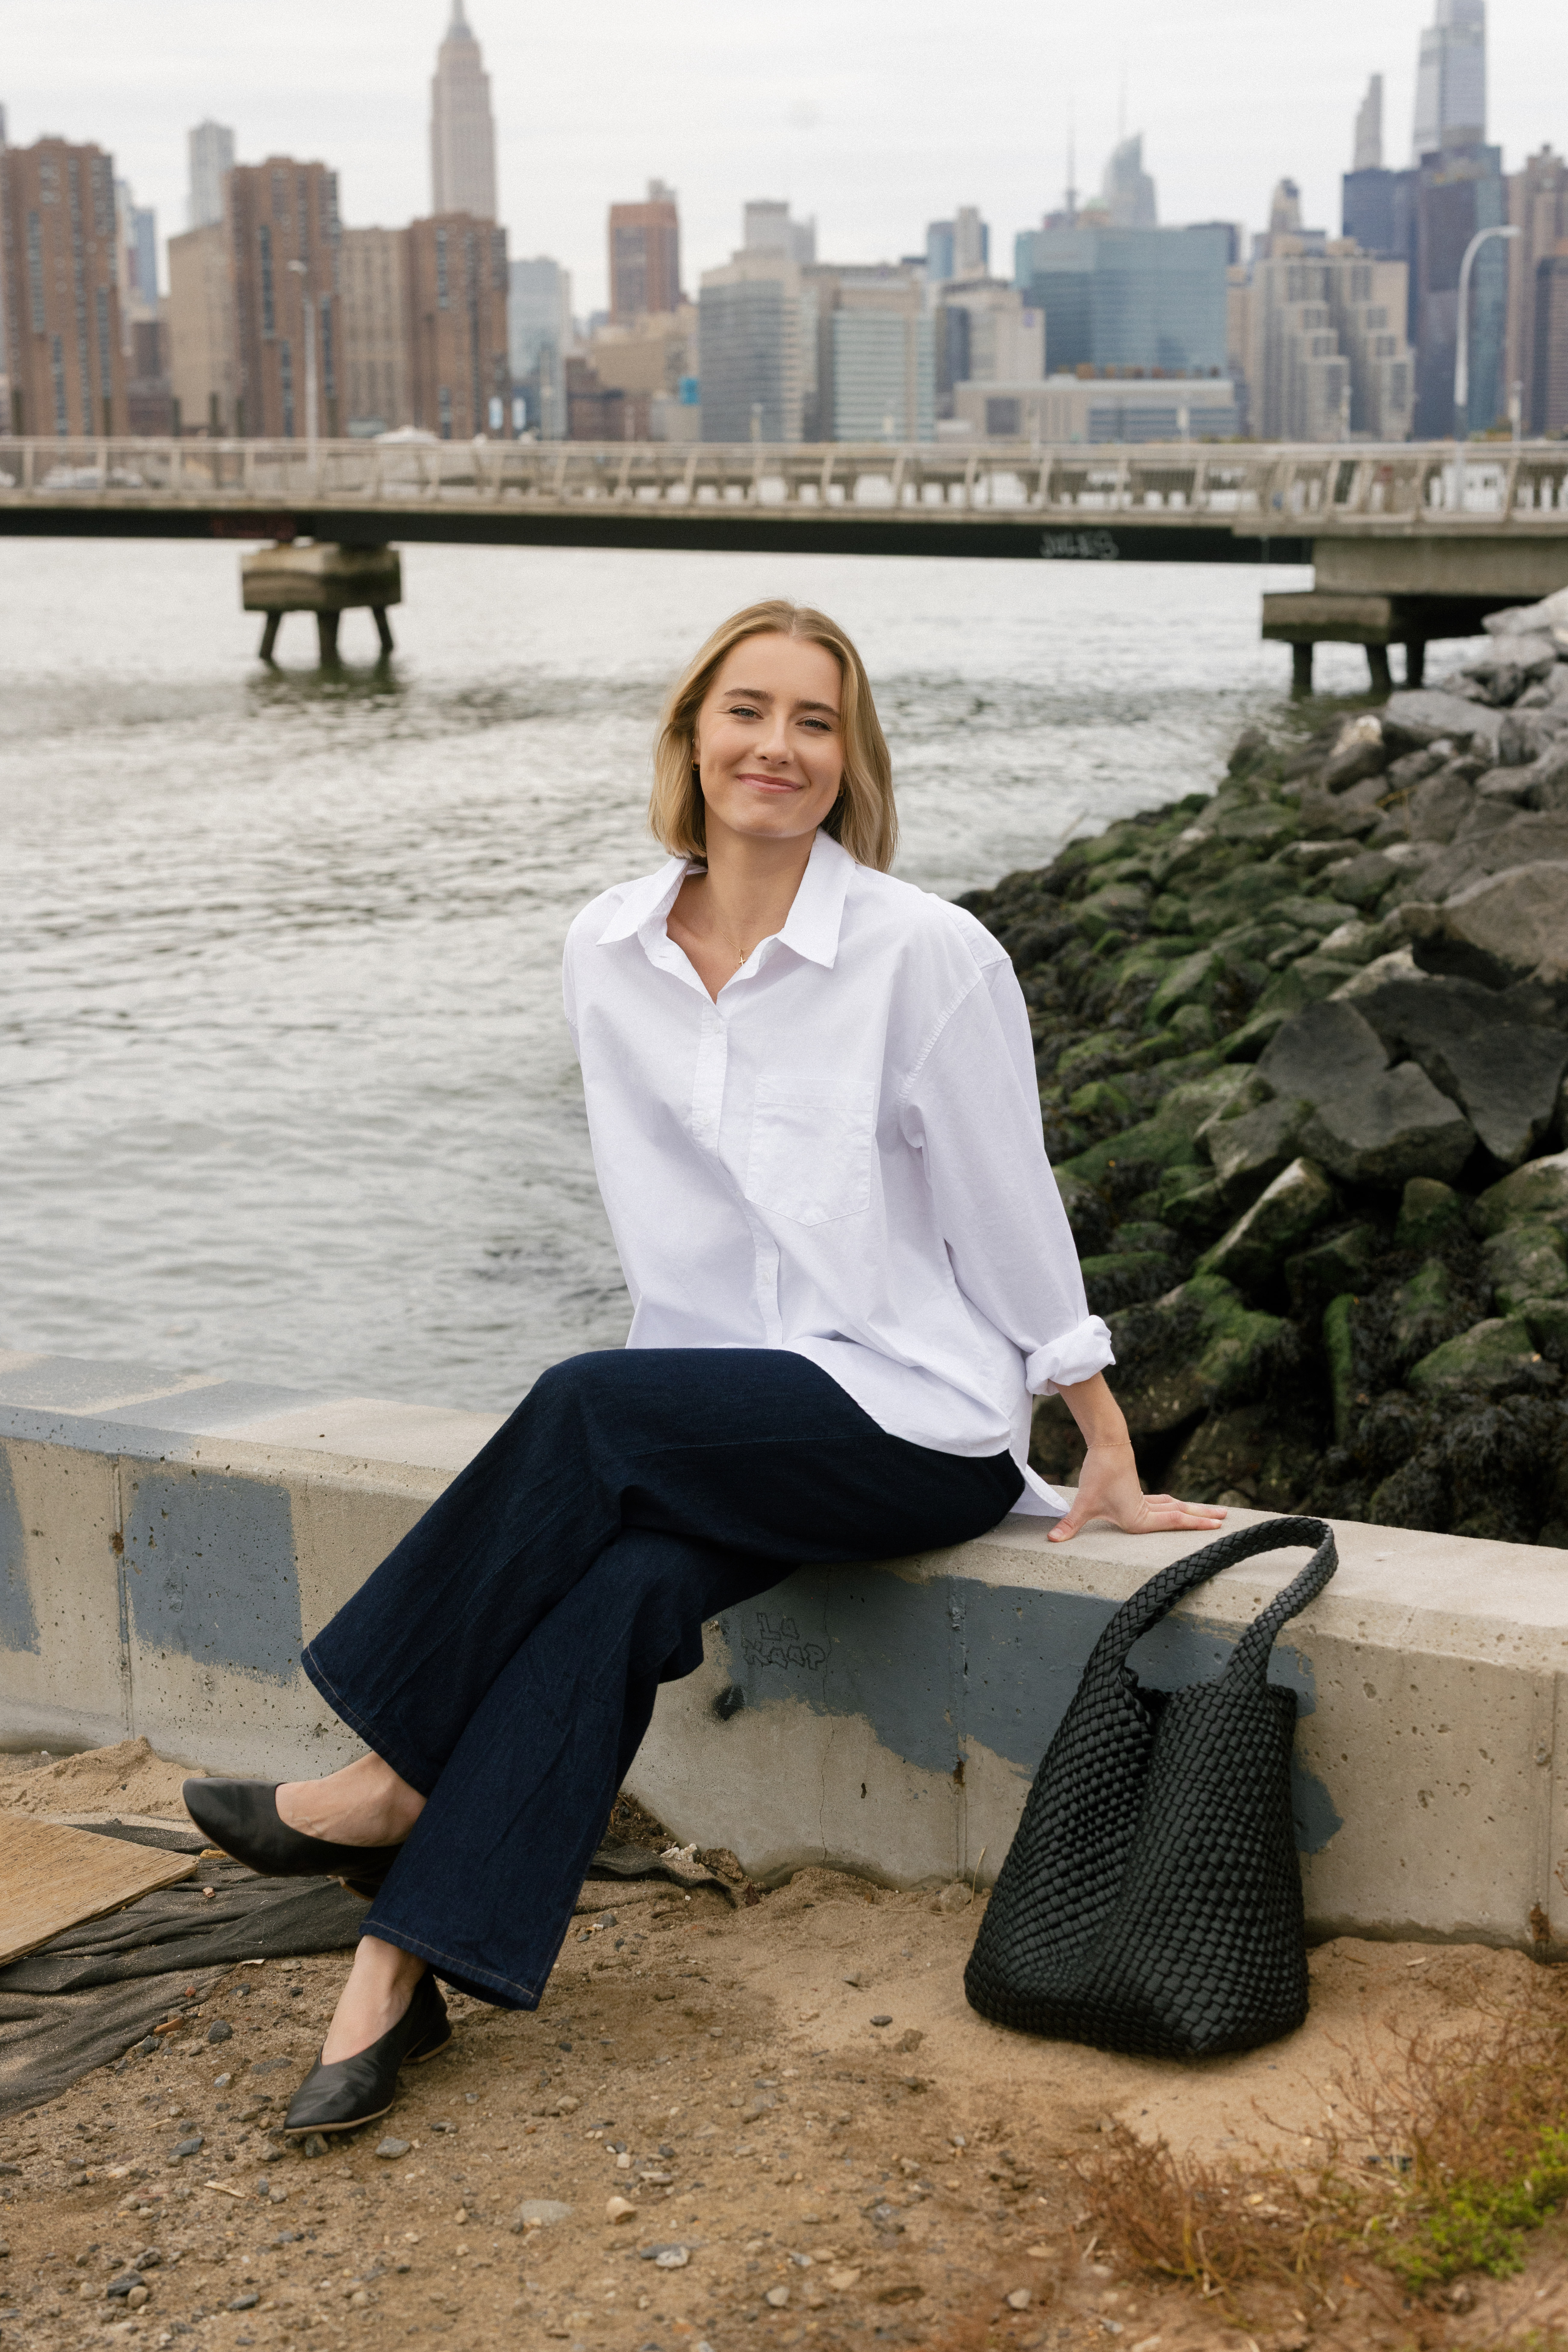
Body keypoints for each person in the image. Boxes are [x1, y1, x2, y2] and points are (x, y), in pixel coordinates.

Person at [184, 598, 1224, 2136]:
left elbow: (1012, 1206)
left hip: (903, 1421)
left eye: (816, 722)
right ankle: (392, 1985)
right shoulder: (606, 950)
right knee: (617, 1593)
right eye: (748, 711)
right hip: (716, 1413)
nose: (778, 748)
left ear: (849, 760)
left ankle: (386, 1776)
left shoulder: (926, 955)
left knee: (582, 1403)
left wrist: (1100, 1436)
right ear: (690, 737)